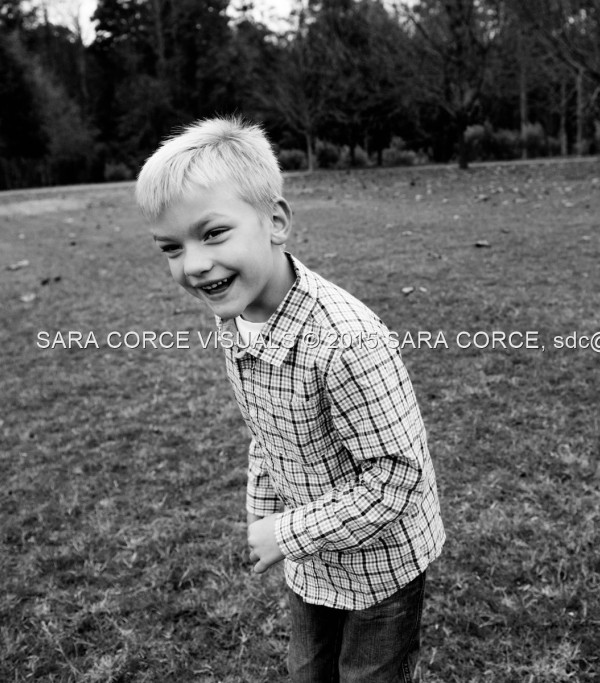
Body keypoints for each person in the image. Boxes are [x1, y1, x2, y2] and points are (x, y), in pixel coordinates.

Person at [135, 117, 445, 682]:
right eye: (171, 247)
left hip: (383, 564)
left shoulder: (348, 340)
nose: (194, 264)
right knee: (308, 672)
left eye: (212, 233)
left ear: (275, 222)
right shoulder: (237, 322)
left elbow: (396, 476)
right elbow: (267, 432)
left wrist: (284, 532)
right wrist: (263, 509)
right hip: (311, 559)